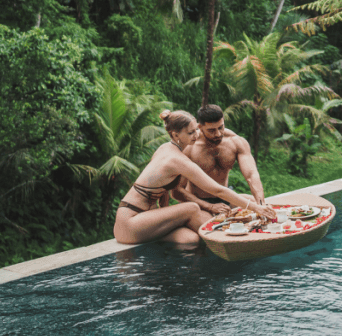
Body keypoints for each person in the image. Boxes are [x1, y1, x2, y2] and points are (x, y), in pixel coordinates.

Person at [113, 110, 276, 245]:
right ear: (175, 134)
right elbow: (217, 190)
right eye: (190, 132)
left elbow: (164, 192)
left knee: (190, 240)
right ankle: (230, 245)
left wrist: (162, 215)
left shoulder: (165, 148)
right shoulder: (177, 159)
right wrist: (256, 208)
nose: (196, 135)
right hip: (130, 223)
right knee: (192, 208)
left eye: (196, 130)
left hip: (146, 220)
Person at [173, 104, 269, 227]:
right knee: (215, 228)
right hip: (199, 204)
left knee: (267, 209)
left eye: (221, 127)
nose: (218, 134)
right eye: (211, 130)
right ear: (200, 127)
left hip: (227, 199)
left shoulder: (235, 141)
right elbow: (177, 191)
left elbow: (251, 176)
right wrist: (210, 206)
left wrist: (261, 205)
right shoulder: (189, 148)